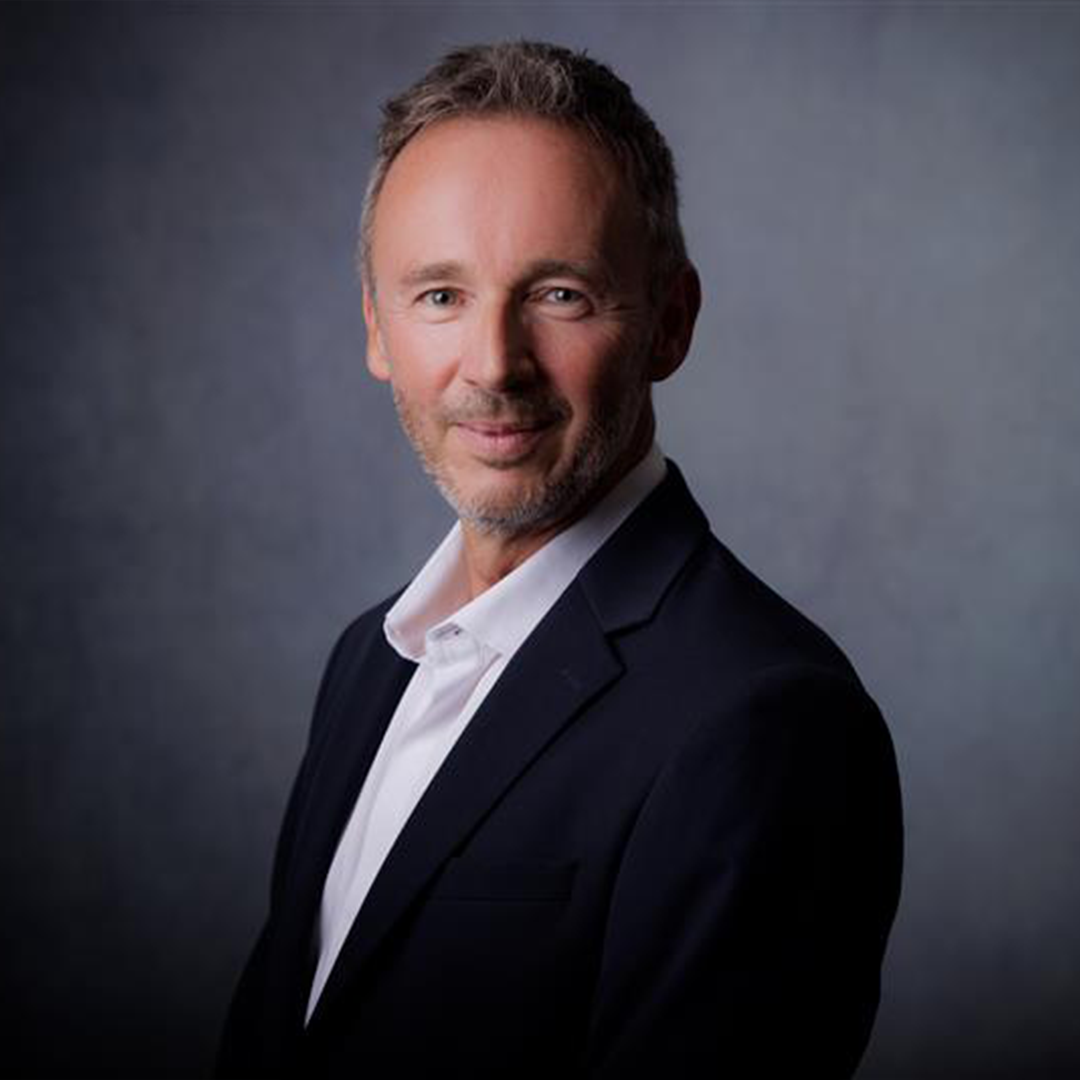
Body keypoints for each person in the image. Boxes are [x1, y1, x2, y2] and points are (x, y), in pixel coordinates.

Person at [218, 40, 902, 1079]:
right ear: (375, 328)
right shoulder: (370, 659)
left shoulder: (768, 722)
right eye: (439, 295)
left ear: (669, 324)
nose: (494, 366)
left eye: (561, 295)